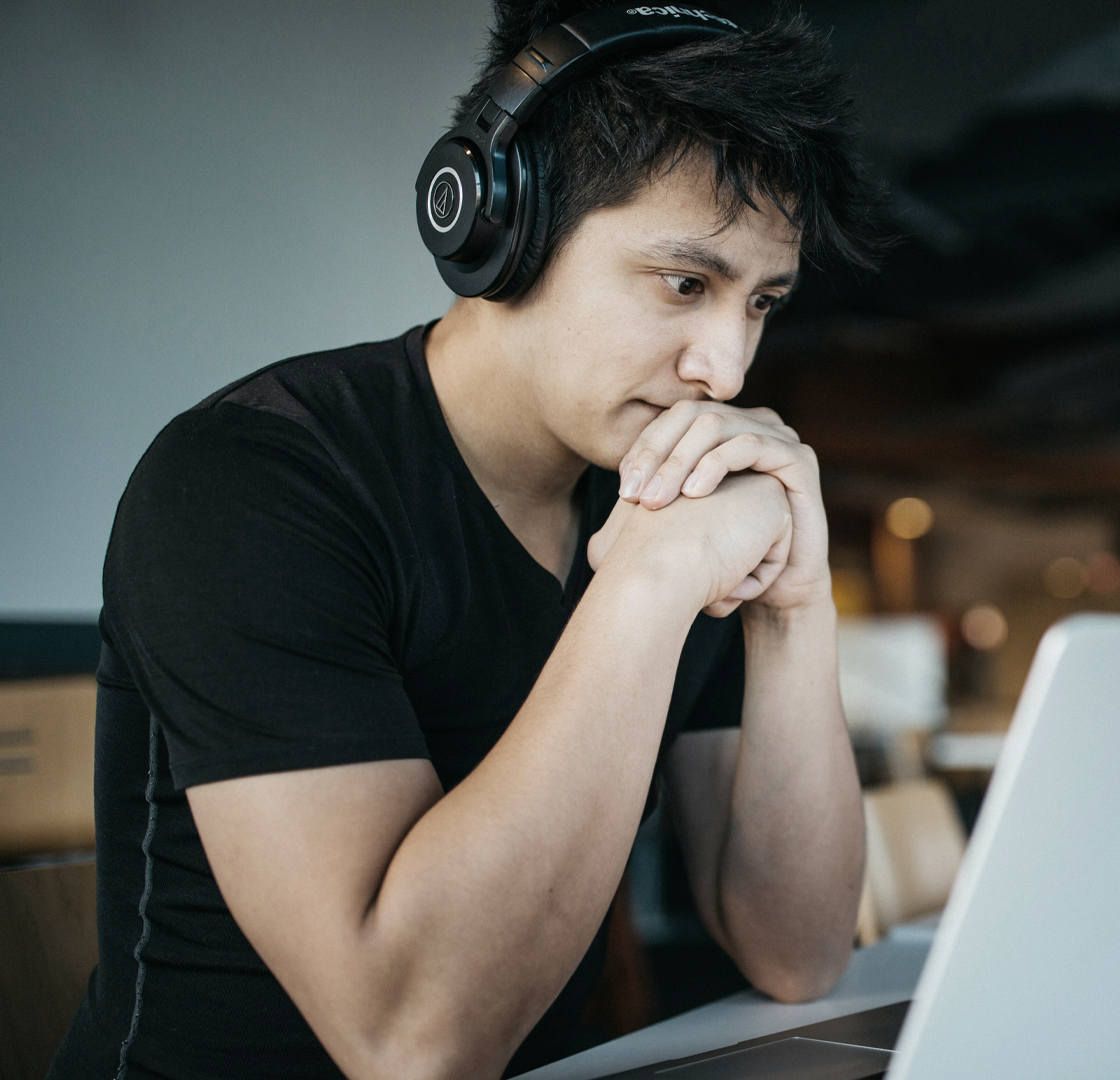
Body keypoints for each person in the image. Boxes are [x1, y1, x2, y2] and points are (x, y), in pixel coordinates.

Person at [51, 4, 888, 1077]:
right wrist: (647, 586)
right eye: (685, 284)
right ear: (501, 229)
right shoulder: (249, 484)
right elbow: (411, 1042)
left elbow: (799, 949)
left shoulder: (670, 491)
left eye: (760, 302)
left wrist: (793, 605)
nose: (725, 372)